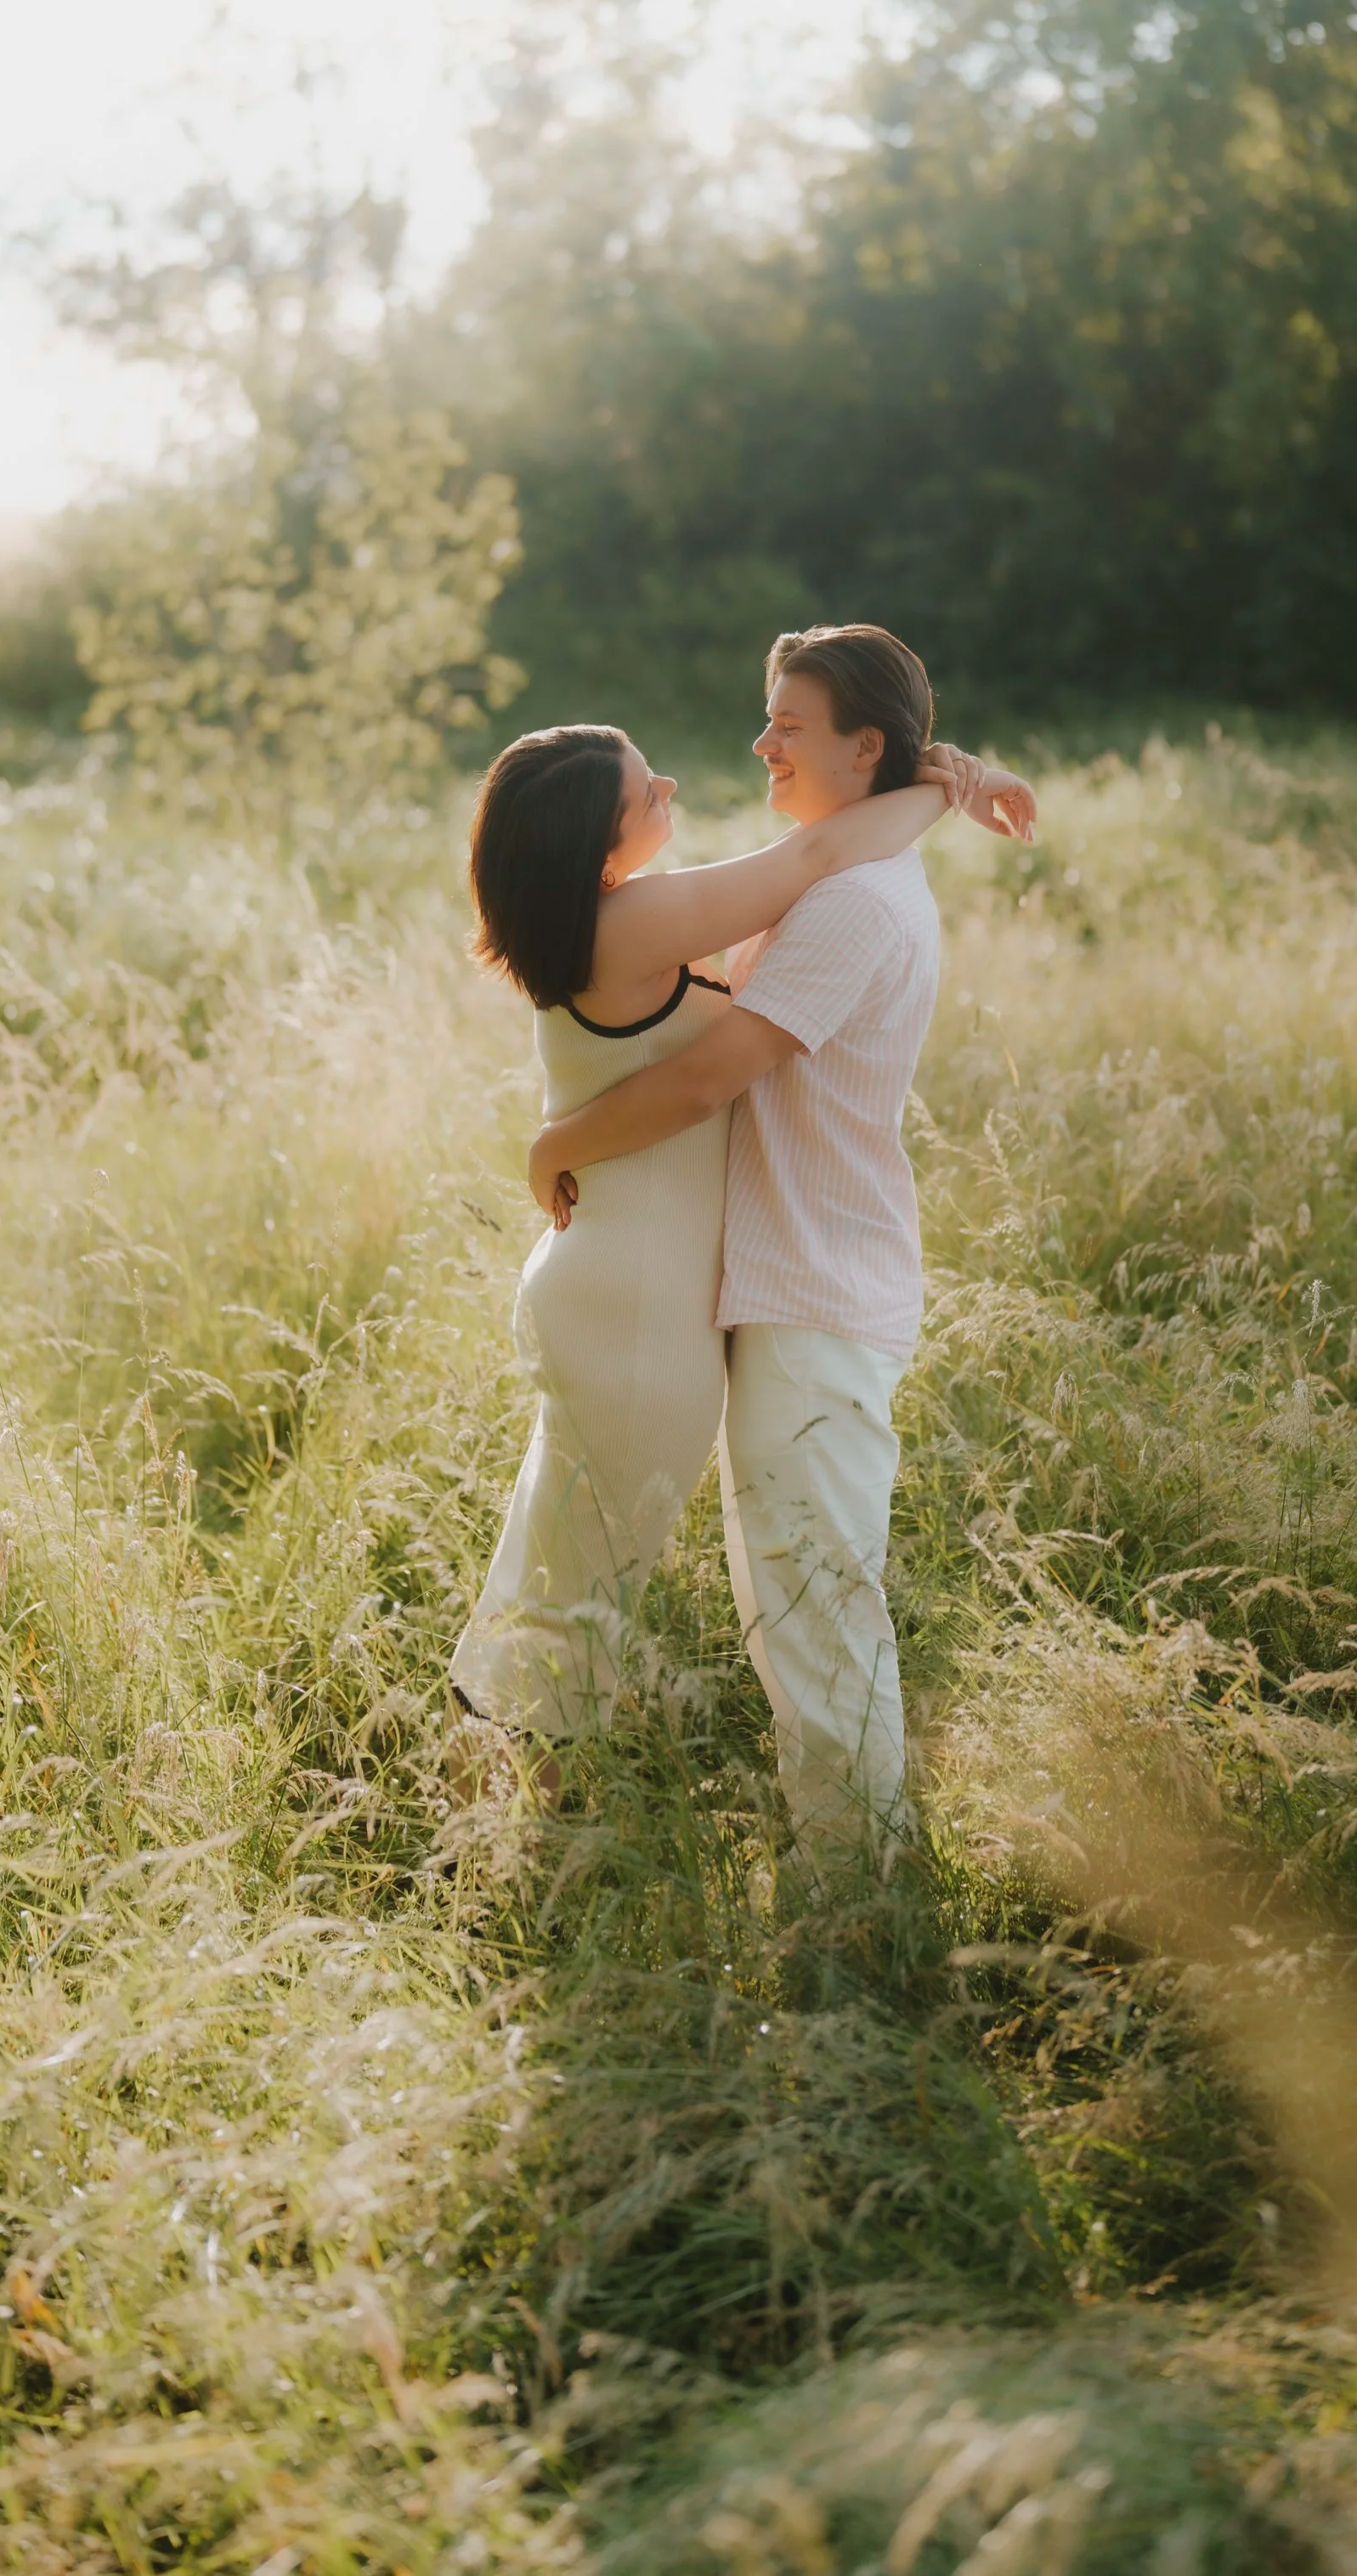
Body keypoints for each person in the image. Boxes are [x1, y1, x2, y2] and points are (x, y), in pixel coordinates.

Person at [526, 626, 1033, 1862]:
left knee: (815, 1611)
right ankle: (844, 1877)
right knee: (792, 1606)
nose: (759, 744)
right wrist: (931, 783)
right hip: (788, 1282)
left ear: (862, 746)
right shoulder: (834, 878)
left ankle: (857, 1893)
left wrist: (558, 1147)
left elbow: (714, 1075)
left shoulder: (850, 904)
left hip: (818, 1292)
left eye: (787, 725)